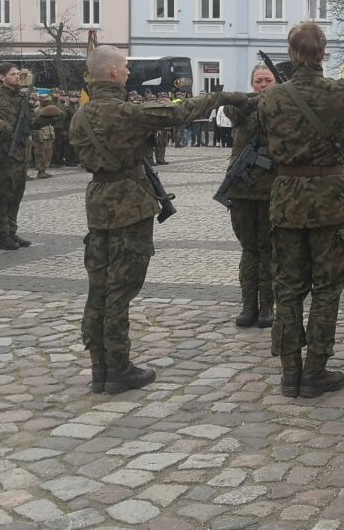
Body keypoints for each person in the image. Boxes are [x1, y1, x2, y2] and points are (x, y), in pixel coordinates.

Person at [70, 45, 243, 394]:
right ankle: (119, 368)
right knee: (120, 290)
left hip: (98, 202)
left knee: (98, 288)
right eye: (125, 66)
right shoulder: (126, 113)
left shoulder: (80, 116)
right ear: (114, 73)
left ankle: (100, 368)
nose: (129, 71)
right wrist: (221, 97)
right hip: (129, 206)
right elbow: (181, 112)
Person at [257, 23, 344, 398]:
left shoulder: (271, 99)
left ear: (291, 52)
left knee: (287, 288)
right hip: (330, 201)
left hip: (286, 200)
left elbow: (266, 135)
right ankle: (315, 370)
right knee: (326, 289)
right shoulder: (341, 93)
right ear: (322, 53)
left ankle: (289, 372)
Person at [0, 64, 60, 250]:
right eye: (13, 74)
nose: (17, 77)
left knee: (16, 195)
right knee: (3, 196)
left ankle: (12, 230)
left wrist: (46, 117)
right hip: (3, 154)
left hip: (20, 154)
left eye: (18, 74)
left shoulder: (21, 98)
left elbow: (30, 124)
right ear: (2, 77)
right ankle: (2, 235)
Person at [227, 64, 277, 329]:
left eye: (268, 80)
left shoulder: (282, 106)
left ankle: (267, 306)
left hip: (271, 190)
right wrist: (259, 98)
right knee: (249, 250)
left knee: (268, 251)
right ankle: (249, 305)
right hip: (243, 191)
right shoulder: (243, 105)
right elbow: (231, 111)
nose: (263, 84)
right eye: (259, 80)